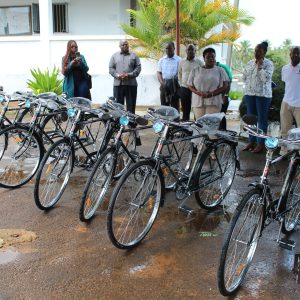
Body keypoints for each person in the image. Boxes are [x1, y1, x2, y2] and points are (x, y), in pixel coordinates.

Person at [242, 41, 274, 153]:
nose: (256, 53)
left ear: (264, 52)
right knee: (251, 119)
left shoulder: (269, 64)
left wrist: (260, 67)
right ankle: (251, 141)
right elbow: (244, 76)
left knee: (261, 119)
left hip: (263, 95)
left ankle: (260, 143)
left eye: (259, 51)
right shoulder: (250, 63)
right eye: (255, 50)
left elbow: (266, 79)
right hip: (250, 94)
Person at [187, 47, 228, 120]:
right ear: (204, 58)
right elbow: (189, 85)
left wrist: (211, 94)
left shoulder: (220, 70)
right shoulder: (195, 70)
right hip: (198, 102)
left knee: (211, 124)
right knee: (200, 124)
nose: (211, 59)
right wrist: (198, 92)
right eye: (208, 57)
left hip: (214, 102)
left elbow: (225, 85)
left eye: (213, 57)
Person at [109, 40, 141, 114]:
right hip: (118, 85)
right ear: (119, 46)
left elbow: (138, 68)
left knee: (131, 106)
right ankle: (118, 124)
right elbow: (111, 69)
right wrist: (118, 76)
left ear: (128, 45)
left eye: (126, 44)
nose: (125, 46)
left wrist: (129, 75)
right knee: (118, 107)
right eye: (122, 45)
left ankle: (131, 123)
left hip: (131, 84)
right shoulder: (114, 56)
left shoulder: (134, 55)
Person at [279, 46, 300, 155]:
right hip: (286, 102)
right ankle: (284, 152)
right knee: (284, 130)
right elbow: (286, 83)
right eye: (294, 53)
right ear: (290, 54)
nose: (296, 55)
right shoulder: (285, 68)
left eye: (298, 53)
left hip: (299, 105)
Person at [178, 44, 203, 121]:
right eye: (189, 49)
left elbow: (202, 75)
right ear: (186, 51)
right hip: (184, 88)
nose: (190, 51)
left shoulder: (199, 62)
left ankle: (197, 127)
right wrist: (182, 84)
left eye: (192, 49)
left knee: (196, 109)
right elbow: (180, 74)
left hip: (196, 89)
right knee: (185, 109)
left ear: (195, 51)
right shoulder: (182, 62)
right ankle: (186, 127)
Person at [157, 42, 181, 112]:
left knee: (174, 106)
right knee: (164, 106)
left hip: (174, 86)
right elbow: (159, 72)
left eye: (170, 48)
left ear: (174, 48)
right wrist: (162, 83)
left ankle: (174, 122)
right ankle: (165, 122)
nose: (168, 50)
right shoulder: (162, 60)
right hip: (164, 85)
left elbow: (180, 73)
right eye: (166, 48)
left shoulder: (179, 60)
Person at [216, 61, 232, 130]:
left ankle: (223, 133)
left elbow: (229, 82)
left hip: (223, 97)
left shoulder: (222, 68)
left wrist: (226, 95)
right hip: (214, 97)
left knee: (221, 116)